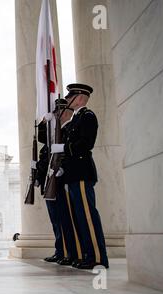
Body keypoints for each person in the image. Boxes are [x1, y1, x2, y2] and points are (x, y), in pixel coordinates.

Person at [51, 84, 109, 269]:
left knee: (87, 216)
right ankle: (87, 254)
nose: (68, 100)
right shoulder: (76, 119)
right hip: (72, 175)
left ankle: (97, 257)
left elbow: (86, 144)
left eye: (71, 97)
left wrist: (64, 149)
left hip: (82, 173)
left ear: (81, 98)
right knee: (79, 217)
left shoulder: (87, 116)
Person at [38, 99, 82, 265]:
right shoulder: (53, 133)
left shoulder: (68, 129)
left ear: (65, 112)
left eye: (57, 113)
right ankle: (61, 250)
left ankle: (70, 252)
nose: (55, 116)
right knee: (56, 219)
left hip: (61, 179)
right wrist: (44, 122)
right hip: (51, 180)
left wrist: (61, 169)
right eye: (54, 113)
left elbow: (66, 152)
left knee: (64, 218)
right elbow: (43, 140)